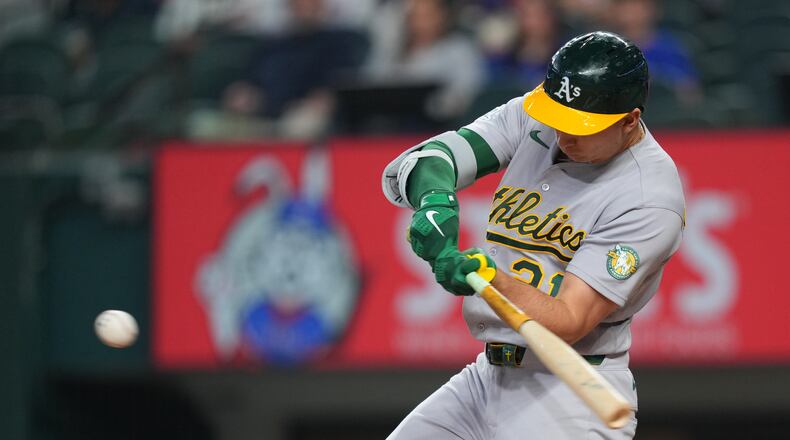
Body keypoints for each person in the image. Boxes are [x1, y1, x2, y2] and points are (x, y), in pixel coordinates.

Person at [381, 31, 685, 439]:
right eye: (558, 116)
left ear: (630, 119)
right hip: (487, 377)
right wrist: (436, 200)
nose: (563, 133)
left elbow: (569, 320)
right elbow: (435, 156)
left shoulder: (649, 195)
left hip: (571, 391)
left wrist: (490, 279)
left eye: (581, 125)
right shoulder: (539, 113)